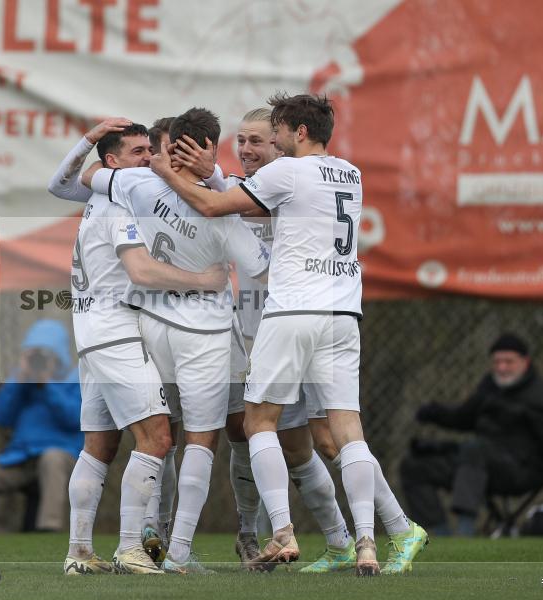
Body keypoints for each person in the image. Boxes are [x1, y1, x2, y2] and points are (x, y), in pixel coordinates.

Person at [149, 93, 427, 576]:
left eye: (273, 132)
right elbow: (259, 205)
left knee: (259, 423)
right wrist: (217, 174)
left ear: (298, 132)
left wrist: (167, 173)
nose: (269, 142)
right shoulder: (351, 174)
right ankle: (364, 542)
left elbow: (218, 206)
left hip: (295, 310)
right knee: (345, 431)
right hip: (343, 312)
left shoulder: (285, 172)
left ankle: (283, 531)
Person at [86, 107, 271, 574]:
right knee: (200, 442)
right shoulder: (222, 208)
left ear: (170, 146)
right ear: (209, 148)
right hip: (203, 333)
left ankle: (140, 539)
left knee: (155, 437)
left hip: (150, 325)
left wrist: (160, 169)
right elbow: (257, 264)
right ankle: (180, 552)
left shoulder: (135, 183)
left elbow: (89, 176)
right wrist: (219, 185)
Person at [174, 108, 353, 573]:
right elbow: (215, 199)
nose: (250, 150)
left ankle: (346, 537)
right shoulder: (236, 187)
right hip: (246, 334)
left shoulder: (290, 185)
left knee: (310, 444)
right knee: (244, 433)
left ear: (283, 144)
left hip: (296, 327)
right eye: (242, 141)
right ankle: (250, 535)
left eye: (259, 140)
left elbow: (232, 205)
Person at [49, 119, 228, 575]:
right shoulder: (119, 205)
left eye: (152, 150)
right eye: (137, 152)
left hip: (90, 333)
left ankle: (79, 553)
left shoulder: (100, 198)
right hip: (116, 333)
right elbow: (143, 273)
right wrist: (204, 280)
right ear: (112, 161)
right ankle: (130, 548)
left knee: (99, 446)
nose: (148, 158)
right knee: (158, 437)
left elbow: (60, 182)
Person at [402, 333, 543, 536]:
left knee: (475, 449)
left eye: (509, 362)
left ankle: (465, 533)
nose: (502, 368)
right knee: (414, 466)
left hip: (521, 471)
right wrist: (434, 413)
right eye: (497, 362)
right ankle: (441, 535)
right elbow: (463, 418)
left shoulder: (542, 397)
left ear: (525, 362)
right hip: (476, 466)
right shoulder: (489, 388)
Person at [0, 319, 82, 534]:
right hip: (22, 458)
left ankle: (48, 529)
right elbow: (1, 416)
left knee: (51, 459)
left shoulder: (75, 380)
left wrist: (48, 384)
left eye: (45, 355)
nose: (38, 361)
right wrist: (20, 378)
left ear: (60, 355)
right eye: (33, 355)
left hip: (63, 457)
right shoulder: (22, 381)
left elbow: (75, 418)